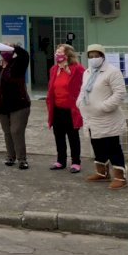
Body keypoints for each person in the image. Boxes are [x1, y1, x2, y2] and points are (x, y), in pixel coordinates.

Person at [77, 44, 128, 189]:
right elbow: (83, 90)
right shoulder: (87, 72)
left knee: (112, 146)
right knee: (97, 145)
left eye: (96, 56)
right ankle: (102, 173)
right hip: (91, 118)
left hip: (107, 118)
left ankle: (120, 176)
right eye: (90, 56)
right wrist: (79, 102)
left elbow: (120, 93)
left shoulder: (112, 72)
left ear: (103, 56)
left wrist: (103, 107)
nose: (93, 59)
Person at [0, 42, 31, 169]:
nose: (6, 53)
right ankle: (11, 156)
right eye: (3, 51)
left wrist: (15, 46)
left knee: (16, 131)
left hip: (19, 104)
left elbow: (25, 55)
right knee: (7, 132)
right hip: (1, 105)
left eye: (8, 51)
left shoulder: (18, 64)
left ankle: (22, 159)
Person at [45, 44, 85, 173]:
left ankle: (76, 162)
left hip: (71, 109)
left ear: (67, 55)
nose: (57, 54)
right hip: (57, 108)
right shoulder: (54, 69)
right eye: (56, 52)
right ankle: (60, 160)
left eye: (60, 52)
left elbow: (81, 87)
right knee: (59, 135)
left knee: (73, 136)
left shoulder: (77, 69)